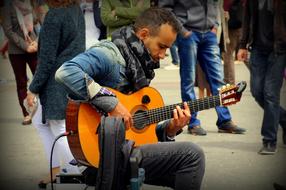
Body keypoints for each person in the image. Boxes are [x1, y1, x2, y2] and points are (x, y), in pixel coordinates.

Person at [56, 8, 205, 190]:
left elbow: (138, 130)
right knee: (192, 155)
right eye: (162, 46)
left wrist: (171, 129)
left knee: (184, 167)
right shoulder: (109, 55)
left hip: (124, 149)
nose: (163, 55)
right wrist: (112, 103)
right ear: (143, 34)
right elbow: (66, 71)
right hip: (104, 152)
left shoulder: (139, 64)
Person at [159, 0, 246, 136]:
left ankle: (225, 120)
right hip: (188, 32)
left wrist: (215, 25)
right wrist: (181, 30)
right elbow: (165, 8)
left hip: (209, 32)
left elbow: (217, 3)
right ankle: (192, 122)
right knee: (188, 80)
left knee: (218, 79)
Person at [26, 0, 85, 188]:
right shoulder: (74, 8)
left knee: (59, 126)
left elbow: (46, 60)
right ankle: (59, 170)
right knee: (42, 122)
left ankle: (73, 173)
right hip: (71, 73)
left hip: (56, 80)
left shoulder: (55, 15)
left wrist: (32, 88)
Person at [237, 0, 286, 155]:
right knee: (257, 91)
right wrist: (242, 45)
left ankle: (269, 140)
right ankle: (284, 119)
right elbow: (246, 19)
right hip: (258, 49)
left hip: (278, 50)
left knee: (271, 94)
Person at [1, 0, 38, 125]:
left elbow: (41, 24)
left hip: (33, 47)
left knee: (40, 78)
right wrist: (25, 46)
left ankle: (43, 110)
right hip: (16, 51)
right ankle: (27, 113)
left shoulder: (31, 3)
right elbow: (8, 31)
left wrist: (37, 41)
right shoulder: (8, 6)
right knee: (21, 82)